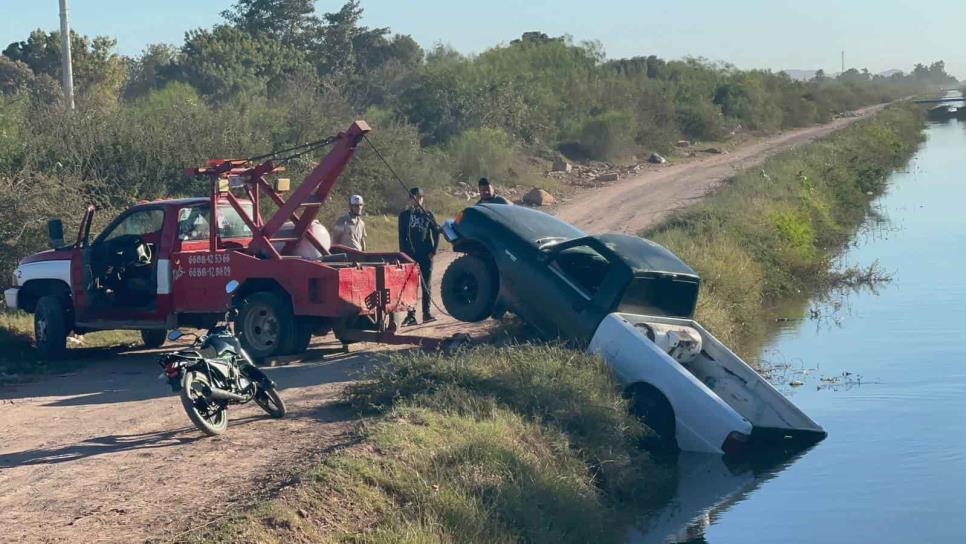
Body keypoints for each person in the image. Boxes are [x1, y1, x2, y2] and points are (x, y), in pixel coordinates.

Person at [398, 187, 440, 325]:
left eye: (419, 197)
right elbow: (401, 237)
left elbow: (436, 232)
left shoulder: (428, 214)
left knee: (425, 284)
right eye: (413, 197)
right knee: (411, 285)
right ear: (410, 199)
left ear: (423, 198)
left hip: (426, 254)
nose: (416, 200)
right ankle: (411, 315)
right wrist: (403, 255)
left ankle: (426, 313)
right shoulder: (404, 216)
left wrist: (434, 250)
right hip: (411, 256)